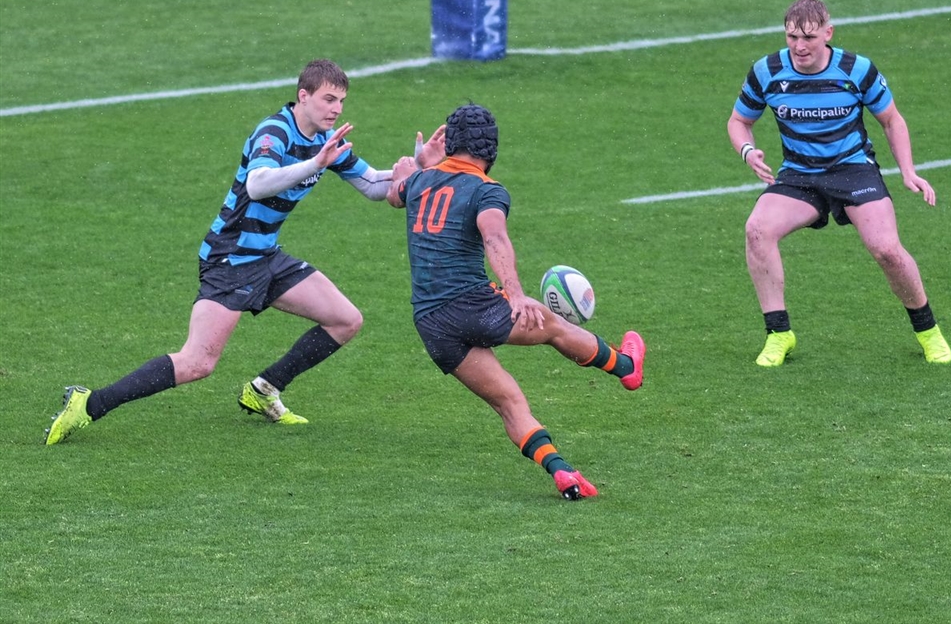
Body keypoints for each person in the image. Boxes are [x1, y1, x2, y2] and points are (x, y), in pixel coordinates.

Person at [45, 59, 445, 444]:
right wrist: (315, 163)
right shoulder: (275, 132)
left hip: (266, 256)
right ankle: (89, 403)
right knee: (198, 362)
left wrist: (422, 167)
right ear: (303, 96)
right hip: (230, 257)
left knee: (346, 319)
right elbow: (257, 184)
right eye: (328, 99)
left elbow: (374, 186)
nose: (336, 109)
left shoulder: (326, 141)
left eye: (341, 101)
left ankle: (264, 389)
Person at [385, 103, 646, 500]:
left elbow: (394, 194)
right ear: (491, 151)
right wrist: (516, 293)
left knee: (508, 403)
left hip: (431, 324)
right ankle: (625, 367)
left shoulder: (418, 183)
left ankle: (563, 473)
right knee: (553, 325)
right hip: (474, 306)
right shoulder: (487, 191)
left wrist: (418, 165)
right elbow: (494, 237)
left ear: (450, 146)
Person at [727, 0, 951, 367]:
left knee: (886, 249)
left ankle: (928, 331)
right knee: (757, 230)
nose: (799, 46)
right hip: (799, 173)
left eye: (809, 38)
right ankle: (779, 334)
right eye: (792, 37)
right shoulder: (768, 70)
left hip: (853, 170)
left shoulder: (856, 69)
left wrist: (908, 170)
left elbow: (891, 120)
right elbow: (739, 121)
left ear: (828, 33)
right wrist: (748, 151)